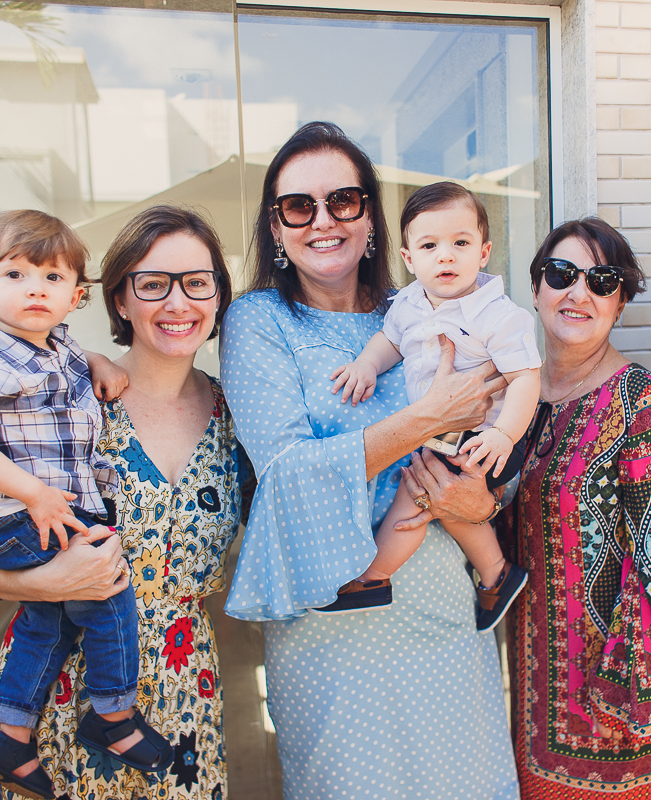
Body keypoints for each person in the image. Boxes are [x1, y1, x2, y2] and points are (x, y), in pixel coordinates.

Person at [220, 121, 518, 799]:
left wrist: (487, 502)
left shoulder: (426, 309)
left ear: (371, 219)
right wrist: (426, 420)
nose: (323, 221)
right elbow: (289, 472)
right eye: (299, 207)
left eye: (343, 201)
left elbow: (496, 428)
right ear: (276, 228)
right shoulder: (259, 321)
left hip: (445, 610)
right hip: (333, 626)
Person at [0, 205, 249, 800]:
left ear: (217, 296)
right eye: (153, 283)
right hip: (63, 684)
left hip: (186, 686)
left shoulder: (237, 416)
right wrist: (46, 583)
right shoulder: (63, 397)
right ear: (118, 300)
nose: (178, 302)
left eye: (197, 282)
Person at [496, 217, 651, 799]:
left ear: (621, 302)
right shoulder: (510, 401)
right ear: (535, 291)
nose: (579, 293)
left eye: (602, 281)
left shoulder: (641, 403)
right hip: (517, 685)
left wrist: (627, 692)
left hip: (602, 701)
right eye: (561, 274)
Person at [328, 181, 539, 628]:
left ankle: (376, 576)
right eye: (430, 245)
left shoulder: (499, 315)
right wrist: (367, 364)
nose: (446, 255)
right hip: (441, 434)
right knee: (436, 498)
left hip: (488, 436)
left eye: (460, 243)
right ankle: (497, 574)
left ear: (483, 252)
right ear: (409, 259)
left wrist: (504, 434)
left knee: (420, 495)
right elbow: (390, 341)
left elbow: (525, 378)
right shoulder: (408, 303)